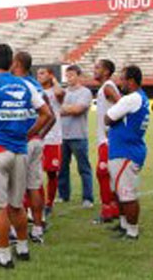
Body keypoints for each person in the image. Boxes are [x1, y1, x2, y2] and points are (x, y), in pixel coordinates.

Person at [0, 44, 52, 268]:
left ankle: (4, 258)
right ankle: (23, 249)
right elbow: (46, 113)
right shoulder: (26, 84)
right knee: (16, 205)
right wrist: (28, 133)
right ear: (12, 63)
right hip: (20, 150)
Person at [10, 52, 55, 244]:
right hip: (36, 141)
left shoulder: (16, 85)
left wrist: (27, 134)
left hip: (22, 142)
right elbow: (51, 116)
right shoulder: (37, 86)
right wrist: (39, 135)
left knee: (14, 189)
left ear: (18, 63)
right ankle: (37, 229)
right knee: (34, 187)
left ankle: (14, 231)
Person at [105, 65, 149, 240]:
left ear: (130, 81)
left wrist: (112, 118)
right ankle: (124, 225)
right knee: (119, 191)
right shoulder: (141, 97)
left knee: (127, 194)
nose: (119, 82)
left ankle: (132, 231)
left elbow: (108, 118)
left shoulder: (130, 99)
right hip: (126, 149)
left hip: (126, 152)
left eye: (122, 79)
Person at [58, 65, 94, 208]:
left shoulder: (85, 92)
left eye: (72, 75)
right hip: (62, 136)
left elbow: (78, 110)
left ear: (79, 76)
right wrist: (68, 109)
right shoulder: (63, 92)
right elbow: (57, 110)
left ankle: (88, 198)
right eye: (67, 75)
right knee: (62, 168)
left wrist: (64, 109)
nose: (69, 78)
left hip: (78, 135)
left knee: (83, 168)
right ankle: (63, 195)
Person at [93, 59, 122, 223]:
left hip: (108, 139)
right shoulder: (105, 87)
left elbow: (122, 104)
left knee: (102, 173)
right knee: (107, 174)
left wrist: (112, 126)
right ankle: (115, 209)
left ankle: (107, 212)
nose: (94, 70)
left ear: (106, 71)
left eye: (98, 67)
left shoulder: (108, 87)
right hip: (104, 138)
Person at [37, 67, 65, 215]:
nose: (39, 76)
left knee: (52, 172)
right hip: (39, 136)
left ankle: (50, 202)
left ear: (50, 75)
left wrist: (54, 80)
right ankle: (39, 202)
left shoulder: (55, 92)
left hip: (53, 137)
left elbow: (61, 93)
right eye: (38, 74)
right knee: (36, 172)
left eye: (43, 73)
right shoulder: (36, 91)